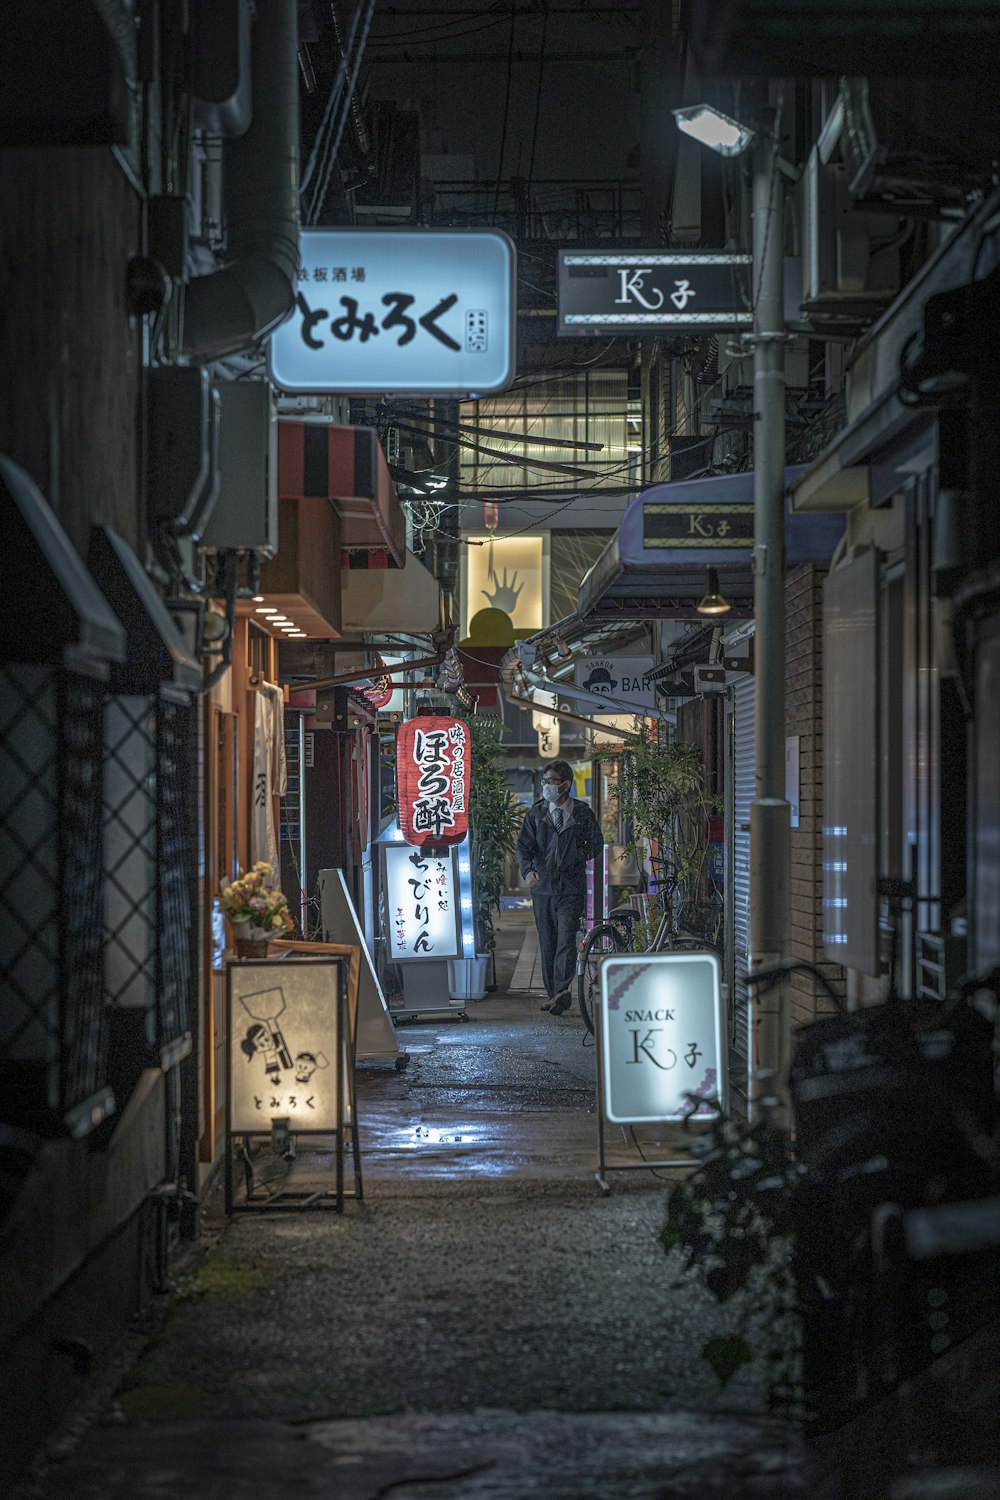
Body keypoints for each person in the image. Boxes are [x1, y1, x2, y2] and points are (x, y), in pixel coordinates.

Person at [516, 760, 604, 1015]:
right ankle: (554, 994)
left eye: (552, 781)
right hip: (542, 888)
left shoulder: (582, 813)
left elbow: (595, 844)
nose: (547, 786)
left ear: (566, 784)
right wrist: (529, 870)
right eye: (545, 781)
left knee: (566, 939)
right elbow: (523, 846)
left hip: (570, 887)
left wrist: (575, 855)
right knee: (548, 942)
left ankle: (562, 991)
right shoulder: (536, 814)